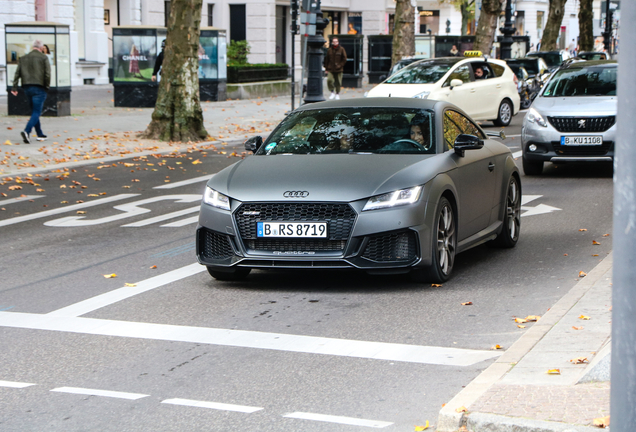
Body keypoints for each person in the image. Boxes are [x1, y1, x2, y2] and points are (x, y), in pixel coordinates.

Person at [11, 39, 51, 144]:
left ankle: (40, 134)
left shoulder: (23, 58)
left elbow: (17, 73)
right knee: (37, 112)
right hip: (39, 87)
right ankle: (26, 131)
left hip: (27, 88)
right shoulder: (43, 58)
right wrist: (46, 86)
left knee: (34, 111)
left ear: (33, 46)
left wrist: (14, 88)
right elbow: (47, 74)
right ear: (41, 48)